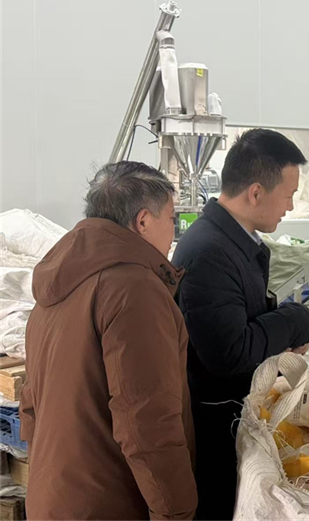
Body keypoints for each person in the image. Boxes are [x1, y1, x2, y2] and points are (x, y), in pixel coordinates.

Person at [20, 162, 197, 519]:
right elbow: (146, 423)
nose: (173, 231)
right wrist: (176, 512)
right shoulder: (134, 289)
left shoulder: (56, 285)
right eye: (171, 219)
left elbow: (31, 406)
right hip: (107, 504)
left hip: (52, 497)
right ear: (143, 221)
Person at [172, 128, 309, 519]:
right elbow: (229, 353)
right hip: (216, 423)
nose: (290, 206)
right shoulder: (209, 251)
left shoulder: (234, 241)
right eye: (288, 195)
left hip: (234, 412)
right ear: (255, 193)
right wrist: (295, 319)